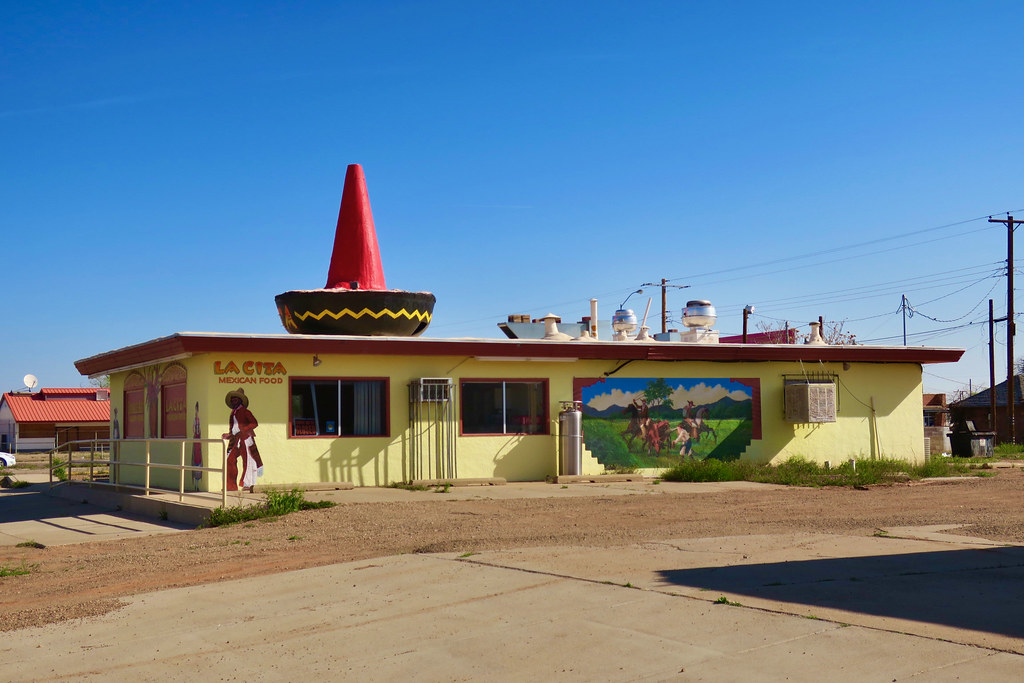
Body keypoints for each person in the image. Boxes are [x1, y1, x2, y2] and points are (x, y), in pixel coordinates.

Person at [222, 388, 263, 492]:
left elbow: (254, 423)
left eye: (236, 400)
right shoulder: (233, 413)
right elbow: (234, 428)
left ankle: (248, 484)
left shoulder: (245, 411)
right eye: (233, 400)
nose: (234, 401)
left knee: (248, 460)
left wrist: (243, 430)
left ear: (240, 400)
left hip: (245, 438)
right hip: (235, 439)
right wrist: (229, 435)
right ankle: (231, 486)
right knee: (229, 460)